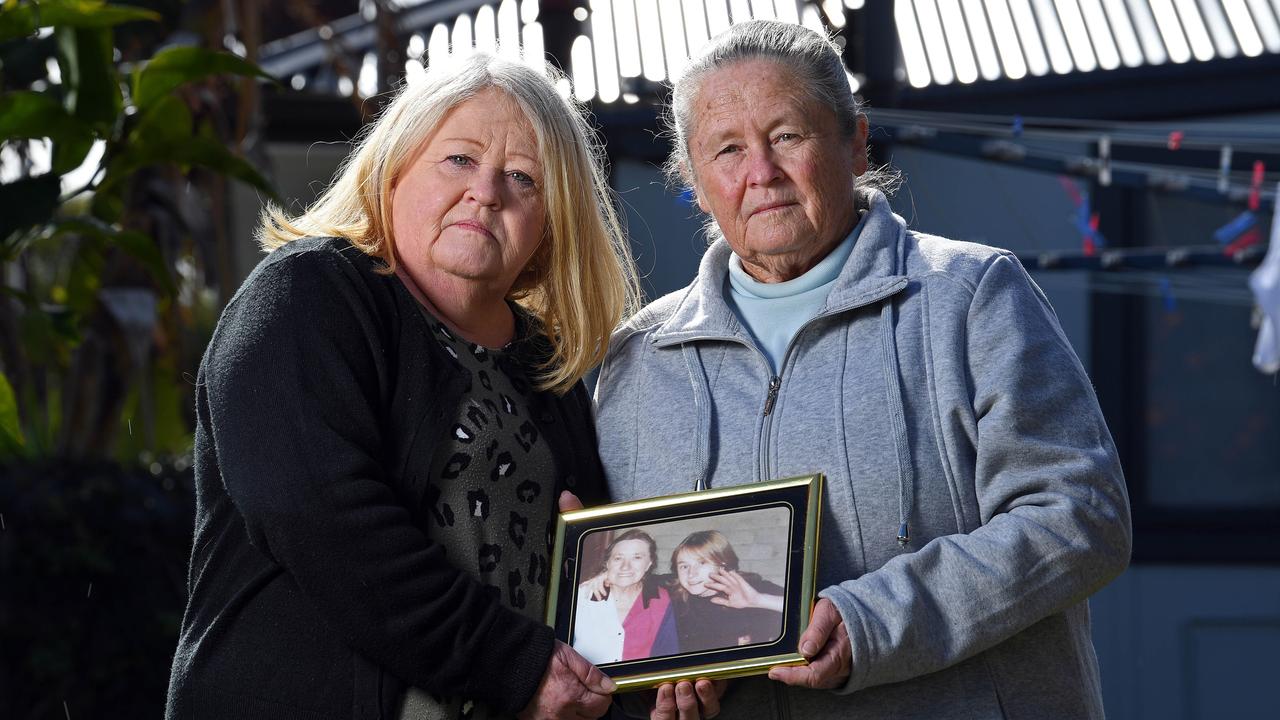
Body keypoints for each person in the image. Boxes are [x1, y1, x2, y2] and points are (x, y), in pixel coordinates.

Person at [593, 20, 1132, 720]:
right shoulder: (637, 358)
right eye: (727, 150)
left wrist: (873, 622)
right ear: (694, 184)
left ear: (855, 143)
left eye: (787, 135)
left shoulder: (969, 297)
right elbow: (634, 584)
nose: (761, 172)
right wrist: (660, 666)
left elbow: (1080, 516)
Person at [166, 53, 643, 720]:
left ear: (549, 227)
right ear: (393, 170)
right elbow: (318, 516)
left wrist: (656, 665)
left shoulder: (543, 363)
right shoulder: (307, 295)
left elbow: (602, 572)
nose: (486, 192)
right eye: (458, 160)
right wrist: (514, 664)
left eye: (521, 178)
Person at [572, 529, 678, 664]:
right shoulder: (583, 595)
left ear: (649, 564)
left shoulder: (661, 599)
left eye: (637, 557)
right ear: (607, 563)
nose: (625, 566)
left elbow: (668, 653)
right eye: (618, 558)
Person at [669, 530, 783, 653]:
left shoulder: (750, 587)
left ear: (722, 564)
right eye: (684, 566)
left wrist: (758, 600)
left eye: (702, 563)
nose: (691, 574)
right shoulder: (675, 599)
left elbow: (802, 607)